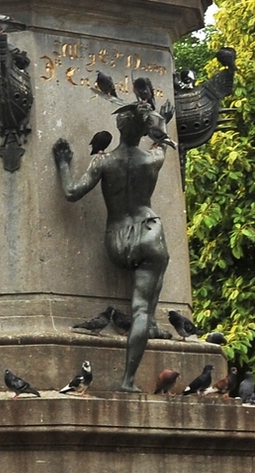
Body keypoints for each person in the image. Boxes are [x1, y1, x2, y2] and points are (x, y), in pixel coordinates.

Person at [52, 100, 168, 392]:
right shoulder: (152, 159)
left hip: (117, 240)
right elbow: (162, 139)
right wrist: (161, 119)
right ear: (143, 131)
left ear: (118, 127)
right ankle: (128, 379)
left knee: (142, 307)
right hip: (150, 233)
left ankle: (149, 326)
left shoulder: (103, 161)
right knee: (141, 310)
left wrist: (63, 163)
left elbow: (71, 192)